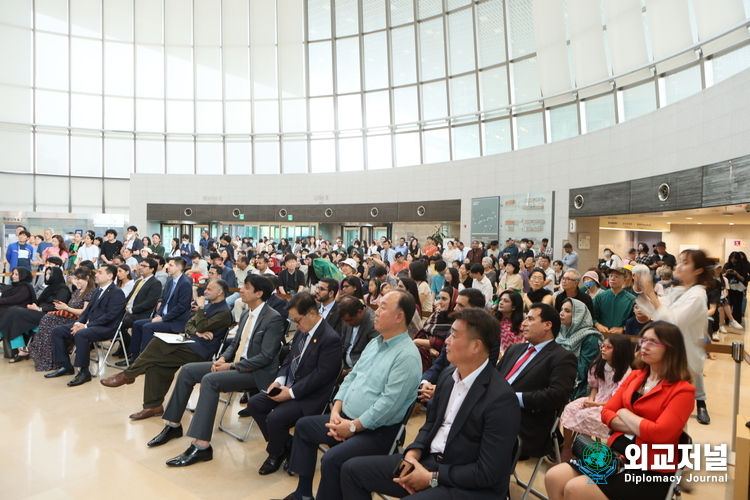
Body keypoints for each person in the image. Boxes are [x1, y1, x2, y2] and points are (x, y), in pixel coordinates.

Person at [341, 308, 521, 500]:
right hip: (429, 462)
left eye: (454, 335)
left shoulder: (501, 398)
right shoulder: (448, 377)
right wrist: (412, 454)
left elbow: (487, 471)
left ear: (476, 346)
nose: (447, 342)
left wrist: (432, 478)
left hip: (467, 485)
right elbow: (430, 424)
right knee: (352, 470)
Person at [279, 290, 421, 500]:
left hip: (376, 432)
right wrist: (336, 410)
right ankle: (303, 493)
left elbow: (388, 405)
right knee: (304, 427)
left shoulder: (406, 356)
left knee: (332, 459)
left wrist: (353, 426)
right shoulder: (375, 343)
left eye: (382, 307)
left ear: (399, 317)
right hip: (345, 418)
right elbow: (352, 377)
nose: (376, 312)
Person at [545, 321, 696, 500]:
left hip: (649, 469)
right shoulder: (636, 376)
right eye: (643, 340)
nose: (644, 346)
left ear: (671, 349)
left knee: (576, 489)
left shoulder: (682, 390)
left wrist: (624, 413)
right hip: (616, 456)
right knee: (553, 477)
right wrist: (641, 426)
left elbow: (659, 434)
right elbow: (607, 413)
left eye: (652, 342)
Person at [145, 275, 286, 466]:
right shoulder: (246, 314)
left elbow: (266, 357)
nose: (241, 290)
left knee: (210, 380)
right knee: (187, 370)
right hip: (236, 365)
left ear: (259, 293)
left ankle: (202, 446)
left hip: (256, 372)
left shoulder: (274, 318)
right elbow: (234, 344)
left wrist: (231, 365)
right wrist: (223, 358)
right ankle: (173, 425)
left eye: (246, 287)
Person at [100, 279, 233, 420]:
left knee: (158, 342)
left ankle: (128, 375)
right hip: (190, 343)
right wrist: (197, 332)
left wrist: (200, 312)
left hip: (200, 352)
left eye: (209, 289)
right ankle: (153, 406)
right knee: (156, 364)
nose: (205, 291)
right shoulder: (209, 307)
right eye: (206, 288)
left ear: (219, 292)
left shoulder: (224, 312)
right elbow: (188, 325)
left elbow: (199, 325)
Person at [241, 292, 342, 475]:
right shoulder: (303, 331)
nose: (296, 325)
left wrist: (291, 392)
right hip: (290, 385)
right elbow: (289, 360)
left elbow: (321, 376)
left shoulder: (330, 339)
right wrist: (279, 381)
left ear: (312, 313)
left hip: (310, 395)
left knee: (275, 418)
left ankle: (274, 453)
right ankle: (286, 445)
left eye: (297, 320)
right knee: (255, 404)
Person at [635, 249, 713, 425]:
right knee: (661, 411)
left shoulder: (697, 295)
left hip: (682, 360)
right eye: (679, 261)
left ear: (698, 270)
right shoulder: (679, 291)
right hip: (668, 356)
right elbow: (657, 310)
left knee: (673, 418)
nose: (679, 266)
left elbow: (672, 323)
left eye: (685, 263)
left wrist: (651, 293)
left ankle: (674, 449)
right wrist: (645, 291)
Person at [496, 303, 577, 458]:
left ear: (547, 325)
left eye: (530, 319)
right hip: (494, 411)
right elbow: (493, 378)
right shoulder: (515, 349)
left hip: (524, 422)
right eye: (525, 318)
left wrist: (514, 398)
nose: (524, 323)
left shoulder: (562, 357)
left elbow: (557, 395)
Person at [44, 265, 127, 386]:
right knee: (58, 330)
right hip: (90, 325)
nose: (96, 275)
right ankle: (66, 366)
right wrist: (79, 323)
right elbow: (87, 311)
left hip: (107, 328)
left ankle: (84, 372)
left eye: (99, 272)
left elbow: (110, 316)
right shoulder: (97, 290)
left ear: (109, 276)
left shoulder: (117, 293)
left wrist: (86, 326)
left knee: (82, 334)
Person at [558, 334, 634, 462]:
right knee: (571, 408)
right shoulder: (598, 364)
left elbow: (616, 399)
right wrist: (591, 400)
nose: (603, 349)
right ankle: (567, 449)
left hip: (611, 406)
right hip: (597, 400)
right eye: (602, 345)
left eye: (608, 347)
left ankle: (582, 454)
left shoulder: (626, 372)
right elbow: (595, 386)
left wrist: (595, 405)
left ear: (620, 350)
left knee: (585, 416)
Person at [26, 267, 96, 371]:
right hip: (70, 317)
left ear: (87, 278)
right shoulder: (78, 291)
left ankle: (49, 357)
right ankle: (47, 357)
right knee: (47, 319)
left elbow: (84, 312)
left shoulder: (90, 292)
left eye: (79, 279)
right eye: (75, 279)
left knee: (49, 320)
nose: (76, 281)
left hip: (79, 320)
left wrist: (66, 308)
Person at [126, 257, 193, 362]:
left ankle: (145, 361)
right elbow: (164, 301)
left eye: (170, 265)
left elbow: (182, 307)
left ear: (179, 267)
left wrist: (163, 318)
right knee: (137, 324)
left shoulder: (185, 283)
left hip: (175, 321)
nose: (167, 267)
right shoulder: (170, 281)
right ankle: (135, 357)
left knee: (148, 327)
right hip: (164, 317)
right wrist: (158, 315)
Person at [0, 267, 71, 362]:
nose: (47, 276)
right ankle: (21, 349)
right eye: (46, 274)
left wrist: (40, 308)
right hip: (39, 313)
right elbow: (39, 301)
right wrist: (35, 306)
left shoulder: (63, 289)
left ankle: (21, 350)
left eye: (49, 274)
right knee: (12, 315)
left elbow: (58, 306)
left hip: (50, 316)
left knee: (13, 312)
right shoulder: (49, 288)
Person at [114, 258, 163, 358]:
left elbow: (150, 302)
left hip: (140, 314)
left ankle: (128, 347)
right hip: (128, 311)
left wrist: (132, 310)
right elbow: (129, 298)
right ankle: (125, 346)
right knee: (112, 320)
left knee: (118, 324)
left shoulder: (155, 283)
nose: (140, 268)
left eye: (144, 266)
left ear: (152, 269)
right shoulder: (138, 281)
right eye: (141, 265)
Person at [557, 298, 604, 400]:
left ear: (578, 315)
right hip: (558, 376)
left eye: (567, 311)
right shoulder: (560, 332)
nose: (561, 313)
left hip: (579, 383)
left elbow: (584, 368)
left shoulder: (590, 337)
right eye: (561, 309)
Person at [413, 287, 458, 372]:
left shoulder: (456, 320)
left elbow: (441, 343)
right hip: (425, 355)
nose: (440, 302)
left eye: (444, 299)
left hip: (442, 364)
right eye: (439, 298)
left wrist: (418, 341)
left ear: (453, 301)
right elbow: (422, 333)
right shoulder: (436, 315)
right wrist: (429, 347)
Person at [338, 296, 380, 375]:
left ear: (360, 312)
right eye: (344, 321)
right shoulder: (348, 317)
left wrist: (348, 373)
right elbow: (342, 345)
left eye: (349, 320)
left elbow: (372, 359)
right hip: (343, 365)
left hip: (359, 371)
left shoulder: (374, 324)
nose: (346, 324)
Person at [593, 267, 635, 336]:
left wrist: (623, 329)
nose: (612, 278)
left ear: (624, 280)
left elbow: (635, 321)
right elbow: (592, 316)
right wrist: (598, 325)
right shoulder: (599, 297)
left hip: (621, 338)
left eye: (617, 276)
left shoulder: (631, 299)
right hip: (602, 336)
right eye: (610, 276)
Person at [723, 251, 748, 327]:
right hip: (729, 287)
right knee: (728, 304)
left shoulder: (743, 267)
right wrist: (726, 273)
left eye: (735, 259)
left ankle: (736, 320)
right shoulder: (727, 265)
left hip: (738, 288)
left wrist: (736, 273)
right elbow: (722, 276)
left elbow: (743, 279)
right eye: (732, 258)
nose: (733, 260)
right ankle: (728, 319)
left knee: (737, 305)